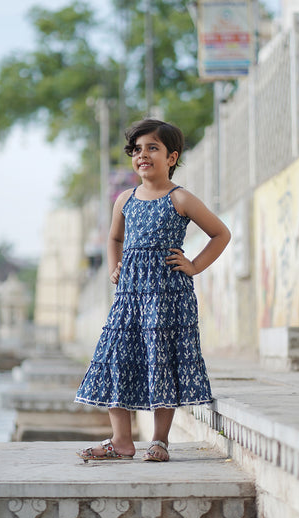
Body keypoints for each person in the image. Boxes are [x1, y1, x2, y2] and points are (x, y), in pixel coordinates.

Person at [75, 118, 231, 462]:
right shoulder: (124, 199)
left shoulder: (181, 198)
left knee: (161, 360)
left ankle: (159, 440)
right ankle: (121, 441)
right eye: (137, 149)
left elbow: (221, 234)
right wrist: (115, 265)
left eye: (152, 148)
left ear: (171, 157)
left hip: (167, 297)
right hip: (129, 297)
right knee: (115, 357)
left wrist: (193, 266)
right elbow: (114, 238)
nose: (142, 155)